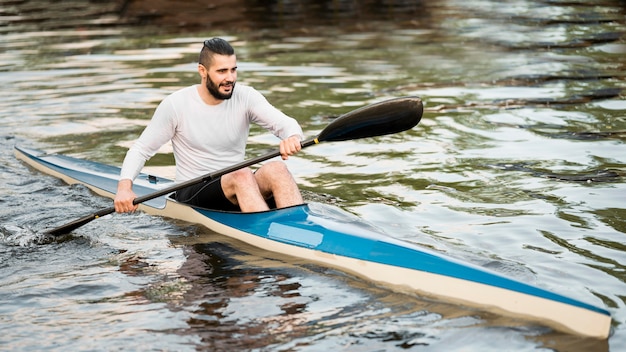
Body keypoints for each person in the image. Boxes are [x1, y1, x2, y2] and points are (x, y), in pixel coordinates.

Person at [114, 38, 304, 213]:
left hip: (237, 184)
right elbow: (141, 150)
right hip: (192, 191)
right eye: (222, 71)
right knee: (241, 175)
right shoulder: (176, 104)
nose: (230, 78)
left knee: (277, 169)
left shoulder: (246, 96)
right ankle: (268, 239)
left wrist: (293, 137)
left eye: (233, 70)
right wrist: (124, 188)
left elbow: (286, 124)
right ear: (202, 71)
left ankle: (299, 229)